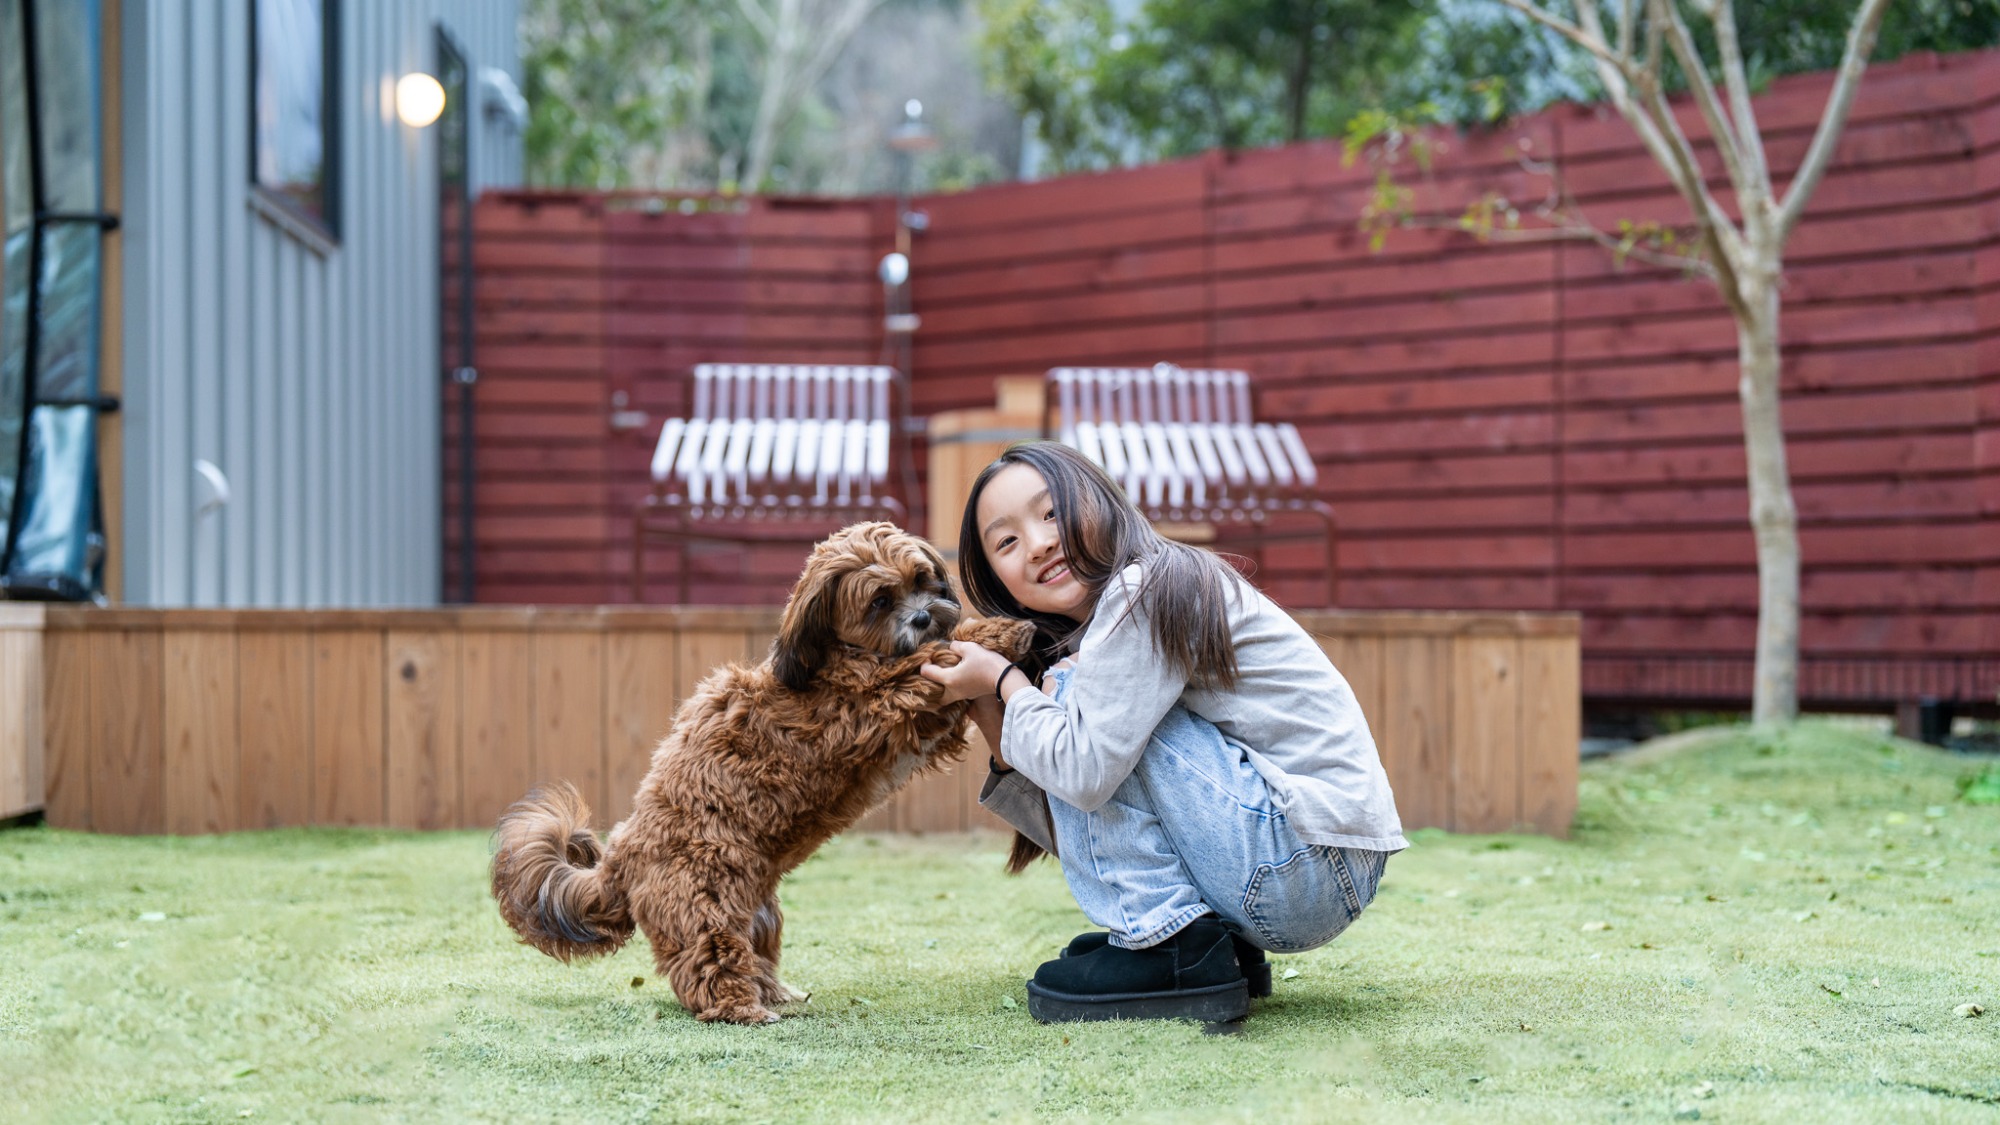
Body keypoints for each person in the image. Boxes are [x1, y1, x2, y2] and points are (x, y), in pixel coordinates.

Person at [920, 441, 1406, 1024]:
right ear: (996, 578)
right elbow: (1075, 809)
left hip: (1302, 861)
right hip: (1304, 863)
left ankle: (1167, 946)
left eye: (1051, 513)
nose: (1041, 542)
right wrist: (989, 703)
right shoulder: (1120, 614)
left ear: (1101, 503)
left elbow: (1083, 770)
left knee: (1078, 700)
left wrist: (1004, 681)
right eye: (1007, 541)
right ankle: (1203, 944)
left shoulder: (1144, 590)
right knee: (1078, 699)